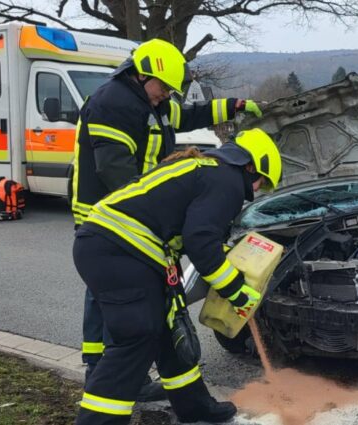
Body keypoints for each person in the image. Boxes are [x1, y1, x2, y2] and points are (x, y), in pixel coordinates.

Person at [70, 38, 263, 401]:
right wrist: (157, 207)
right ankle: (104, 374)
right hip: (111, 216)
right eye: (163, 88)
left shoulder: (149, 103)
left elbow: (189, 114)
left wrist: (232, 107)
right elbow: (115, 170)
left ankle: (121, 374)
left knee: (124, 299)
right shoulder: (113, 103)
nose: (166, 96)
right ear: (142, 75)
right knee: (111, 299)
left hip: (133, 219)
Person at [72, 129, 282, 424]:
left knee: (170, 329)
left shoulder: (206, 170)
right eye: (261, 180)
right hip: (119, 250)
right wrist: (237, 292)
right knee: (137, 336)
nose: (257, 189)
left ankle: (195, 407)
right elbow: (201, 243)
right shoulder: (228, 180)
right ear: (250, 166)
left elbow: (198, 234)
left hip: (121, 249)